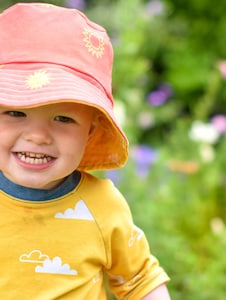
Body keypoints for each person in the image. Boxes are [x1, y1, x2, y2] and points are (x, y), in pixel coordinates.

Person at [0, 2, 171, 299]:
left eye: (63, 119)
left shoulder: (101, 206)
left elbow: (141, 280)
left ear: (91, 130)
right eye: (16, 113)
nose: (37, 136)